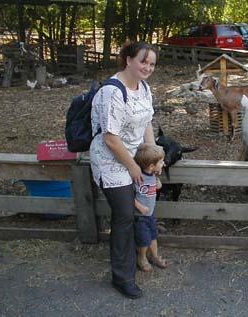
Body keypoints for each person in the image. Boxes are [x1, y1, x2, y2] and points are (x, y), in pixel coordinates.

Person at [89, 41, 158, 299]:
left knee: (139, 210)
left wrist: (153, 156)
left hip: (134, 157)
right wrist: (132, 168)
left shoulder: (144, 88)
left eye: (152, 64)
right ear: (128, 60)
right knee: (125, 214)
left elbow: (147, 122)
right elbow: (110, 138)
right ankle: (122, 276)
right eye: (143, 61)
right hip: (111, 159)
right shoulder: (113, 91)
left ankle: (137, 259)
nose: (148, 67)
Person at [133, 143, 169, 272]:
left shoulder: (152, 175)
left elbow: (157, 186)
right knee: (144, 240)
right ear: (151, 166)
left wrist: (157, 179)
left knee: (153, 236)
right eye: (161, 162)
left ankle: (155, 256)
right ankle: (141, 258)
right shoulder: (138, 178)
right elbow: (128, 195)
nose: (163, 163)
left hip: (150, 215)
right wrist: (139, 206)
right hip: (140, 217)